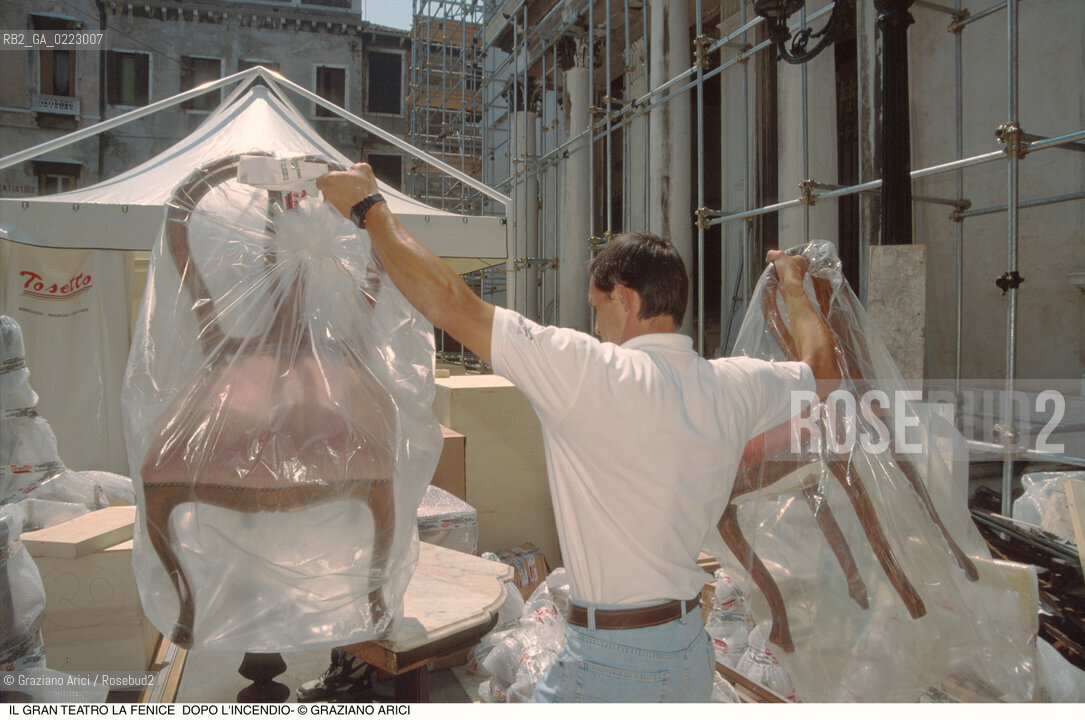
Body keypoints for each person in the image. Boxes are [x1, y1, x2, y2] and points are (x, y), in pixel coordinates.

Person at [316, 163, 840, 703]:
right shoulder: (734, 384)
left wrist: (368, 209)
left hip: (613, 665)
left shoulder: (588, 371)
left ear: (626, 299)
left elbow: (451, 303)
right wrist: (795, 287)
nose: (594, 325)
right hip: (689, 653)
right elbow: (823, 373)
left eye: (596, 308)